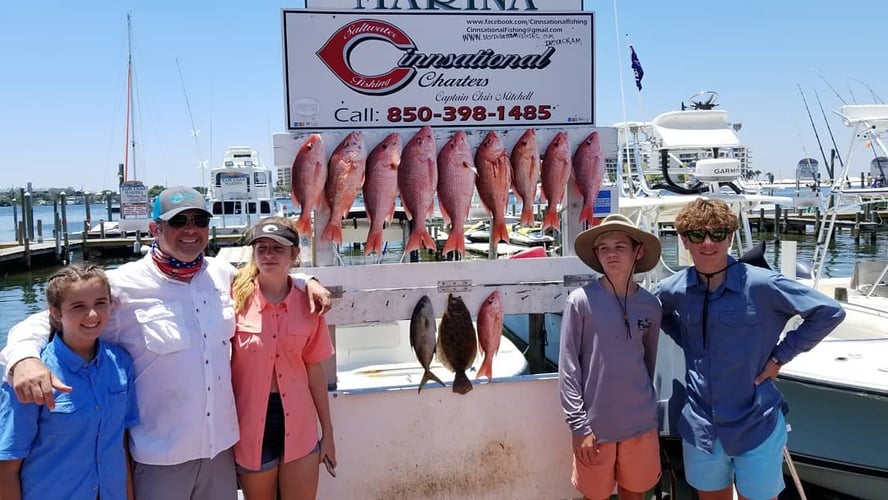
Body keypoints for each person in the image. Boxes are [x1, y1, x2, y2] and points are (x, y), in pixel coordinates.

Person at [1, 186, 332, 500]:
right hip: (159, 457)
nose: (190, 229)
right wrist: (24, 358)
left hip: (220, 447)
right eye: (178, 221)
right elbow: (52, 316)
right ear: (154, 229)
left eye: (199, 220)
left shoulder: (222, 275)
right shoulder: (124, 284)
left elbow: (272, 278)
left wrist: (306, 281)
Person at [655, 199, 845, 500]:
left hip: (756, 421)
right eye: (697, 234)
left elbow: (829, 312)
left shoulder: (763, 284)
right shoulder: (673, 288)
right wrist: (687, 339)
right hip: (702, 426)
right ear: (684, 240)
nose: (707, 243)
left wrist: (780, 356)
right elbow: (654, 313)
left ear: (730, 238)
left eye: (717, 234)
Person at [0, 263, 139, 499]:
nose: (92, 315)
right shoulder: (30, 375)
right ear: (55, 313)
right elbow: (6, 466)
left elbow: (120, 444)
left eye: (100, 303)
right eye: (78, 307)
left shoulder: (121, 363)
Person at [230, 217, 335, 500]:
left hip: (299, 425)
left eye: (278, 248)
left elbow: (315, 372)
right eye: (261, 247)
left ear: (294, 254)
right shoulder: (232, 299)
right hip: (250, 426)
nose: (268, 254)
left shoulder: (309, 303)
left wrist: (328, 434)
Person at [559, 214, 663, 500]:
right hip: (595, 426)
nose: (611, 253)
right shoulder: (580, 301)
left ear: (637, 251)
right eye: (603, 248)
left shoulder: (652, 306)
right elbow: (569, 369)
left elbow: (648, 362)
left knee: (635, 493)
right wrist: (579, 426)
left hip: (640, 425)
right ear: (596, 254)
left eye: (620, 246)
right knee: (595, 495)